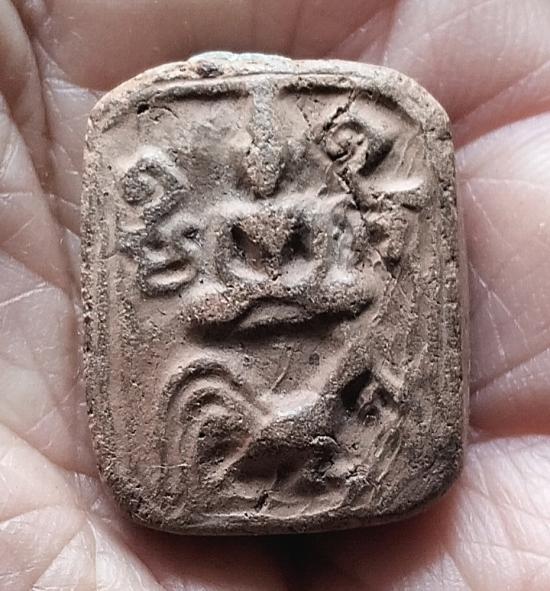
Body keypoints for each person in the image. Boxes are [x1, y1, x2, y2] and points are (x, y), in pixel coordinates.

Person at [1, 0, 549, 588]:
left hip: (303, 305)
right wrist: (260, 288)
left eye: (272, 161)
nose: (263, 173)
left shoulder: (318, 214)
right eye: (253, 161)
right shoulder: (228, 220)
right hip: (240, 312)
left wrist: (304, 283)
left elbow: (330, 272)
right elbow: (223, 279)